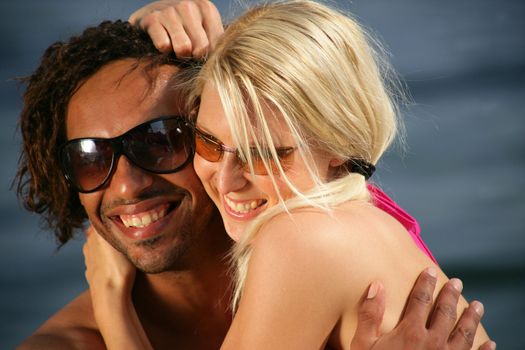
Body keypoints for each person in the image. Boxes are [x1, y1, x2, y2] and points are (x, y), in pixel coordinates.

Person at [14, 3, 493, 350]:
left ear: (340, 150)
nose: (226, 178)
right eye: (208, 143)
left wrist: (113, 305)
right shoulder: (357, 213)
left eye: (160, 139)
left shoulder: (300, 239)